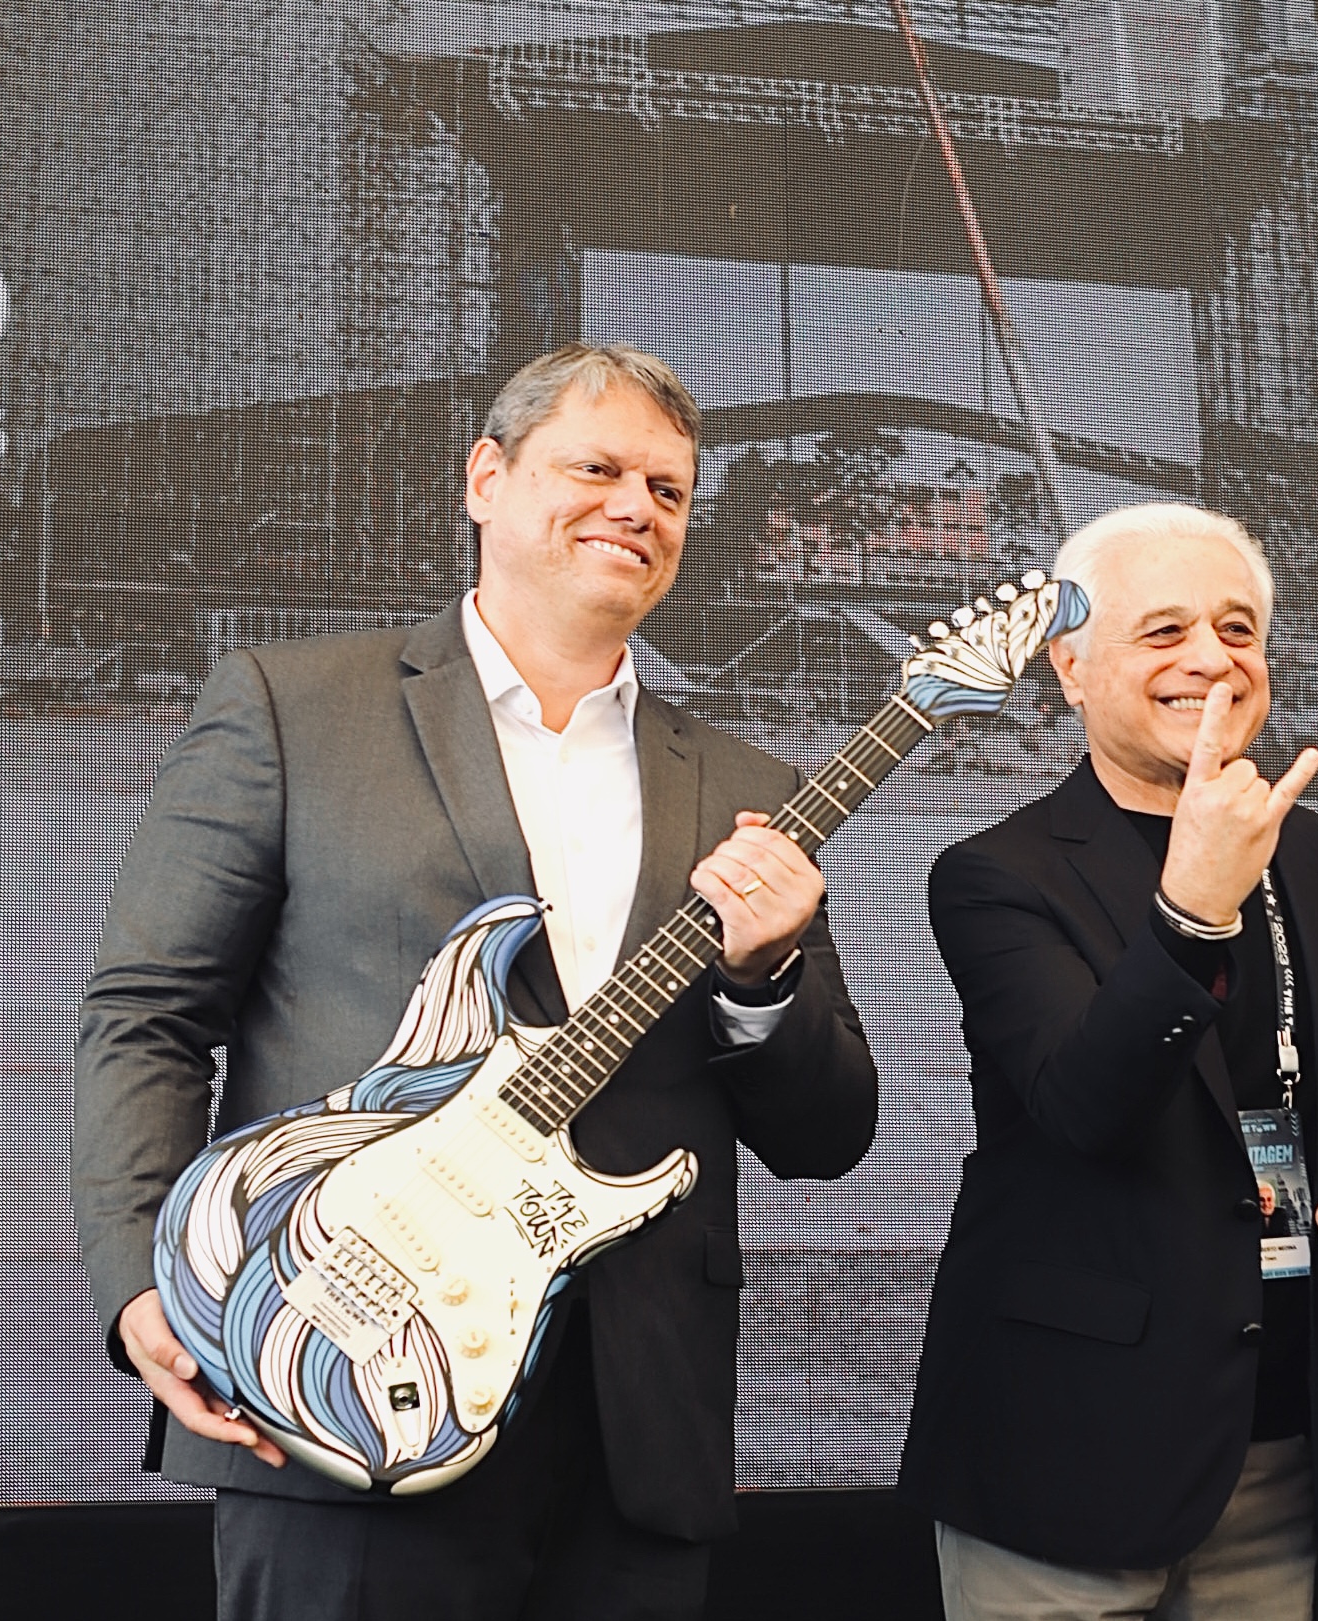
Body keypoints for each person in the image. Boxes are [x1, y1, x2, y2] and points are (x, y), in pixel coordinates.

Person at [71, 344, 880, 1620]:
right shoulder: (293, 706)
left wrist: (763, 973)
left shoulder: (745, 784)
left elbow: (828, 1133)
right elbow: (147, 1018)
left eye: (668, 490)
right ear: (485, 479)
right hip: (336, 1395)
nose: (636, 506)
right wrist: (139, 1281)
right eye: (597, 468)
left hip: (636, 1441)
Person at [899, 502, 1318, 1620]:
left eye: (1236, 629)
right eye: (1162, 631)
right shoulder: (995, 873)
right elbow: (1080, 1104)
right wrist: (1191, 906)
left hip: (1269, 1441)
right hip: (1061, 1452)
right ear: (1070, 668)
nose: (1209, 660)